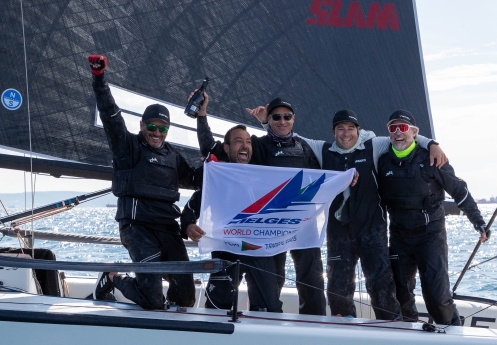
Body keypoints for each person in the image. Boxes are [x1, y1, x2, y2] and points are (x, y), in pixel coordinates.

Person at [247, 107, 448, 320]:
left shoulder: (373, 145)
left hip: (372, 233)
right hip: (339, 236)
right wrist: (266, 123)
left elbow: (403, 137)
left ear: (357, 130)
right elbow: (288, 134)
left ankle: (392, 330)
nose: (346, 133)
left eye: (350, 128)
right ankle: (344, 331)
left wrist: (432, 144)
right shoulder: (323, 150)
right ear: (333, 132)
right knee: (338, 292)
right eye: (340, 129)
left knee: (381, 288)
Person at [87, 54, 201, 309]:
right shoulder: (127, 147)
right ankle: (112, 276)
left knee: (186, 298)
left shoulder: (173, 156)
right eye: (152, 127)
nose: (157, 133)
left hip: (168, 229)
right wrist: (99, 79)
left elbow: (196, 180)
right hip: (137, 228)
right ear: (142, 125)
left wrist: (217, 158)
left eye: (163, 128)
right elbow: (111, 116)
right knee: (152, 300)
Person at [201, 96, 326, 315]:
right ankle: (263, 316)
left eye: (287, 116)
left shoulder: (304, 147)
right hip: (269, 224)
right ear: (269, 120)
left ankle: (314, 322)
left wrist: (348, 176)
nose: (282, 121)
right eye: (276, 117)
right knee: (272, 280)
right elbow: (217, 151)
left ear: (293, 118)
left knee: (312, 276)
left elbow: (321, 177)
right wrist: (202, 116)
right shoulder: (257, 144)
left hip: (300, 222)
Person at [377, 109, 488, 325]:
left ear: (414, 132)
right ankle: (408, 333)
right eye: (393, 128)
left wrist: (478, 221)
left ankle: (452, 333)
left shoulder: (432, 158)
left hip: (430, 236)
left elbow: (459, 191)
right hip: (399, 237)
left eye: (403, 128)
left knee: (437, 296)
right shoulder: (382, 162)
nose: (398, 132)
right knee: (400, 292)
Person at [179, 91, 284, 312]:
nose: (244, 145)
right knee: (217, 307)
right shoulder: (219, 178)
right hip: (226, 249)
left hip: (258, 249)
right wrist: (188, 225)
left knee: (270, 308)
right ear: (226, 148)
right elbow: (191, 207)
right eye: (238, 142)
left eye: (248, 142)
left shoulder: (262, 177)